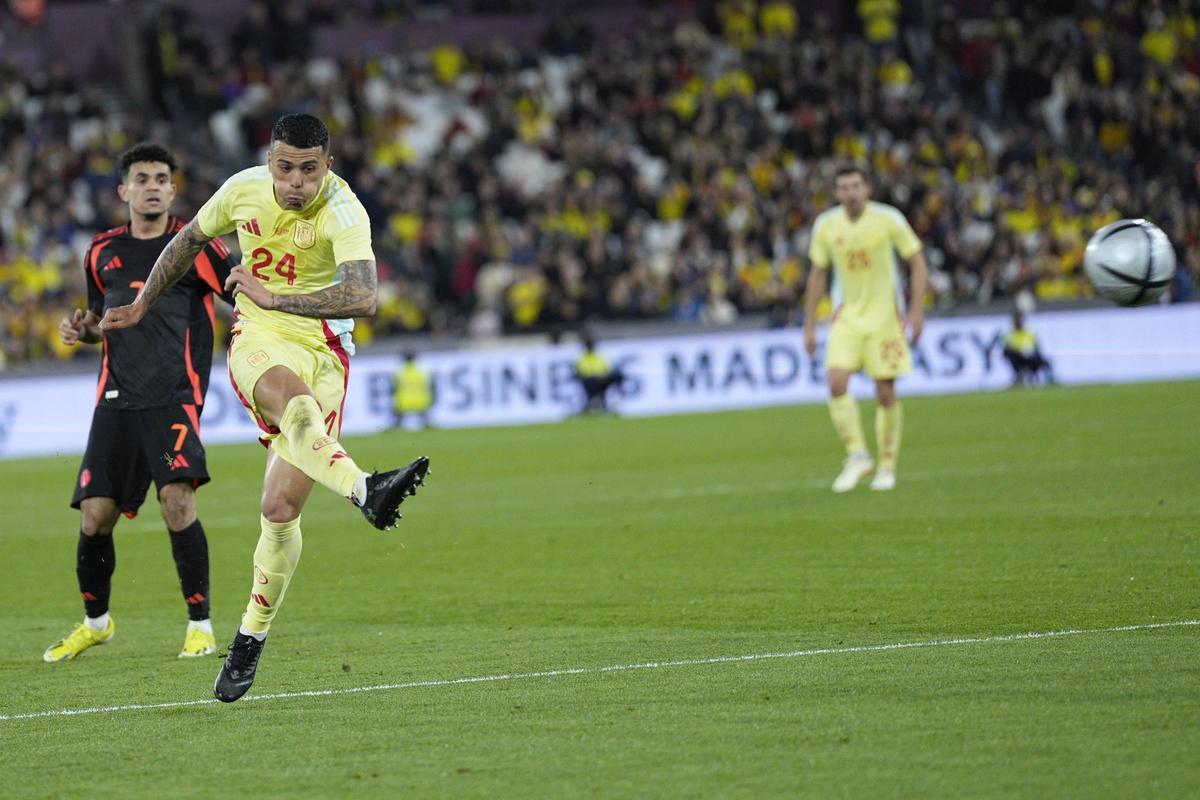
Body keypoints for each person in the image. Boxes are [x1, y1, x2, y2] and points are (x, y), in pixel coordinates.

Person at [100, 114, 431, 703]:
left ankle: (249, 639)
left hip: (327, 347)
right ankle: (366, 491)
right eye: (285, 167)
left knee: (279, 509)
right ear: (269, 160)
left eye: (309, 169)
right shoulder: (242, 188)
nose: (296, 182)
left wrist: (277, 292)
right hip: (259, 336)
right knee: (297, 408)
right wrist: (144, 302)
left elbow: (364, 296)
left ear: (327, 164)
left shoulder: (345, 211)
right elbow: (188, 241)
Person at [44, 143, 238, 663]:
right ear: (123, 190)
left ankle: (200, 626)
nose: (152, 185)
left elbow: (239, 293)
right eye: (142, 178)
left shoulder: (193, 243)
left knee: (177, 503)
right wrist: (82, 331)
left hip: (174, 395)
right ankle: (96, 623)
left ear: (173, 190)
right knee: (94, 517)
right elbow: (98, 319)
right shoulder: (100, 251)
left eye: (161, 178)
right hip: (114, 398)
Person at [803, 165, 928, 492]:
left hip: (886, 317)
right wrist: (809, 325)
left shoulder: (888, 219)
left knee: (885, 391)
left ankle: (886, 465)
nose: (851, 193)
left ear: (867, 188)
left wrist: (916, 311)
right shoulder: (826, 225)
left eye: (856, 186)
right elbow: (817, 274)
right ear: (836, 193)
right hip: (846, 317)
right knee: (835, 381)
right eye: (844, 188)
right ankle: (858, 455)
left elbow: (916, 260)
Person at [1003, 312, 1055, 386]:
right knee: (1012, 355)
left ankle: (1050, 381)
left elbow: (1037, 347)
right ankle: (1019, 377)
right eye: (1016, 320)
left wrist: (1031, 353)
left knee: (1045, 362)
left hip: (1032, 358)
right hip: (1019, 360)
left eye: (1019, 320)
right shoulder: (1009, 335)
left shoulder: (1029, 333)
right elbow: (1006, 350)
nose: (1018, 322)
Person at [573, 336, 623, 414]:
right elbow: (580, 373)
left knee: (617, 376)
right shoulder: (582, 358)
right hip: (589, 382)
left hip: (601, 380)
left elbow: (607, 370)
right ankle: (594, 404)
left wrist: (602, 376)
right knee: (592, 382)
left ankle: (617, 398)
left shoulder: (599, 357)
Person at [393, 351, 433, 429]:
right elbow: (429, 385)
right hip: (421, 400)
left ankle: (395, 430)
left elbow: (395, 387)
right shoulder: (421, 371)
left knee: (398, 422)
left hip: (404, 401)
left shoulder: (400, 372)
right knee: (426, 422)